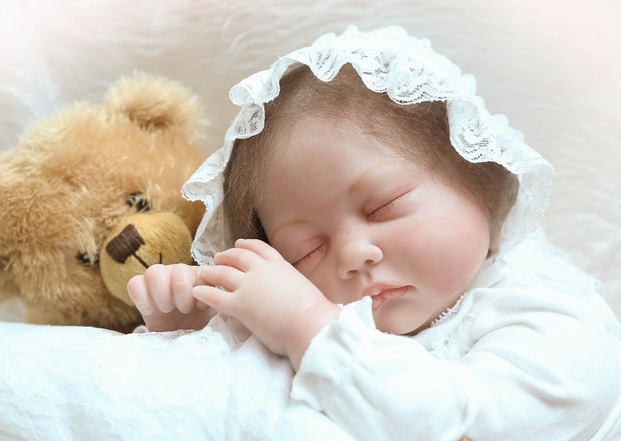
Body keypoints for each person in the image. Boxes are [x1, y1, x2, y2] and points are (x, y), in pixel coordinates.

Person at [127, 26, 621, 440]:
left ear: (482, 176)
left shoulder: (556, 322)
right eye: (306, 251)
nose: (353, 254)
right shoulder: (345, 325)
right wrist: (199, 329)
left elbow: (457, 425)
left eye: (383, 207)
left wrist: (304, 323)